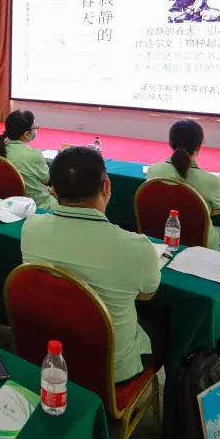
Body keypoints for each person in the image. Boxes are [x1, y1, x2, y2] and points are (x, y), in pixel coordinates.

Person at [21, 147, 163, 384]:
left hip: (50, 354)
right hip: (110, 370)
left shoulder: (30, 228)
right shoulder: (137, 247)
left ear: (53, 189)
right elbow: (148, 293)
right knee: (164, 326)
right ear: (106, 186)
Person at [146, 120, 220, 252]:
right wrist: (196, 211)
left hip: (164, 236)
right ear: (199, 146)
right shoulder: (211, 180)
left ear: (170, 143)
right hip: (201, 244)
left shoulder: (153, 171)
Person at [0, 110, 57, 211]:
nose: (37, 128)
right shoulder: (34, 154)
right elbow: (46, 180)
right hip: (36, 206)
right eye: (35, 127)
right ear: (26, 134)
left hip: (8, 203)